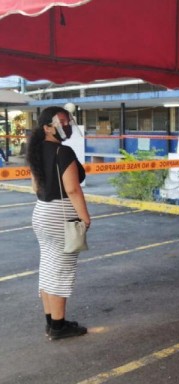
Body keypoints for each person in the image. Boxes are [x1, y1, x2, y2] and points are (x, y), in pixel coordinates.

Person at [26, 106, 91, 340]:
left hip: (42, 211)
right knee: (61, 271)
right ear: (47, 127)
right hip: (61, 214)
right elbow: (73, 189)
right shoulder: (62, 152)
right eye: (61, 121)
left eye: (67, 121)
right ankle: (59, 327)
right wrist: (85, 217)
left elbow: (35, 186)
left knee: (48, 267)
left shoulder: (35, 150)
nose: (66, 125)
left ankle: (51, 321)